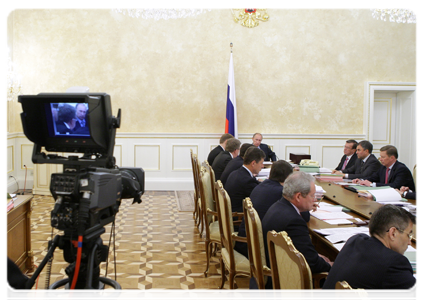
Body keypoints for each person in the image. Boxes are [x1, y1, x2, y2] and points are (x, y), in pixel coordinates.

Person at [252, 172, 332, 300]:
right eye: (312, 196)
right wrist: (330, 265)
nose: (315, 200)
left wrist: (316, 256)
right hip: (283, 283)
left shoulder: (278, 206)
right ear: (299, 196)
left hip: (271, 275)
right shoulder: (294, 221)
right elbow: (311, 263)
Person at [318, 205, 420, 300]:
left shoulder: (355, 240)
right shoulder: (393, 264)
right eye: (409, 235)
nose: (409, 242)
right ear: (393, 233)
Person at [234, 160, 311, 258]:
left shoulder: (261, 185)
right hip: (255, 249)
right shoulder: (281, 192)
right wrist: (306, 204)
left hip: (247, 241)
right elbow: (305, 217)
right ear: (288, 179)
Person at [224, 147, 265, 213]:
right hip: (238, 215)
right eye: (261, 163)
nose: (262, 166)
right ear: (253, 163)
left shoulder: (236, 172)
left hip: (231, 210)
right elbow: (260, 196)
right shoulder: (246, 180)